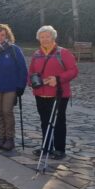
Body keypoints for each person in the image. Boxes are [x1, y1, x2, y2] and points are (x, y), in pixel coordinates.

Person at [29, 25, 79, 160]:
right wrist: (31, 82)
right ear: (38, 39)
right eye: (42, 37)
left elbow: (74, 70)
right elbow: (31, 71)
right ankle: (46, 147)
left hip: (59, 94)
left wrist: (57, 79)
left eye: (47, 36)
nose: (45, 39)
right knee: (44, 121)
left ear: (53, 37)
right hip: (40, 93)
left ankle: (59, 149)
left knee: (58, 122)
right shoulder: (36, 54)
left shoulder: (63, 53)